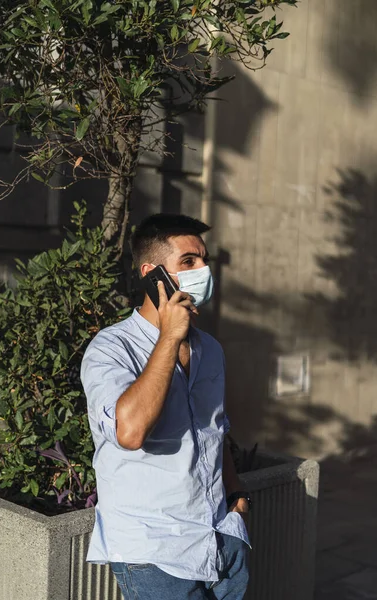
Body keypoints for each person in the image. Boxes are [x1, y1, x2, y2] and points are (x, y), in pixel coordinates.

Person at [81, 214, 252, 600]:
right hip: (156, 551)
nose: (203, 270)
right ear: (152, 274)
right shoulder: (111, 349)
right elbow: (131, 432)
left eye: (205, 260)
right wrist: (170, 337)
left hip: (220, 538)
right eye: (189, 261)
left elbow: (215, 429)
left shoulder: (210, 349)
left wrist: (238, 499)